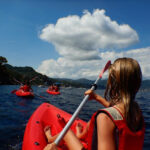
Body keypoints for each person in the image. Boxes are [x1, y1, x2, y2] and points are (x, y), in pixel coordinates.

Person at [44, 57, 145, 150]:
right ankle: (80, 134)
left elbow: (112, 114)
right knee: (90, 123)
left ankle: (50, 139)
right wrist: (96, 97)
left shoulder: (104, 118)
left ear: (111, 84)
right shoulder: (136, 111)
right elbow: (116, 113)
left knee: (66, 132)